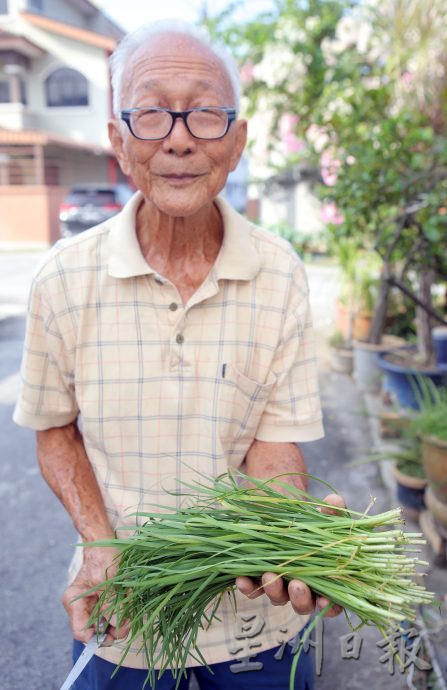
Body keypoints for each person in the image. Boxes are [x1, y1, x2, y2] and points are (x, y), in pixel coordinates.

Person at [14, 19, 344, 690]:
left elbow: (272, 442)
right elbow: (54, 428)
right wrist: (100, 545)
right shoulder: (62, 277)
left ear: (238, 138)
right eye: (151, 113)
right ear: (117, 139)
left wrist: (288, 538)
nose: (179, 137)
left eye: (204, 112)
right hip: (127, 599)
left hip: (256, 615)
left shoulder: (278, 272)